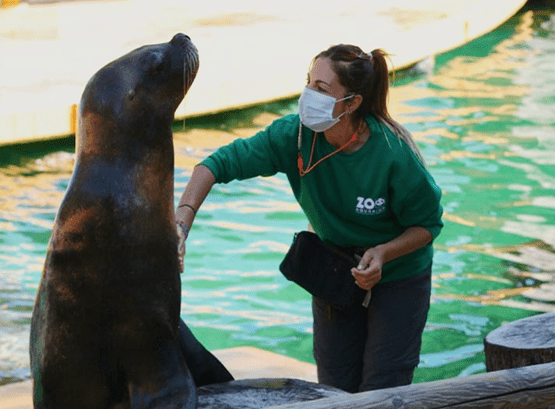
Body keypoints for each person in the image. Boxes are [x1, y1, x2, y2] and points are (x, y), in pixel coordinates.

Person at [175, 43, 443, 393]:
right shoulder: (294, 137)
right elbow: (216, 164)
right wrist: (182, 222)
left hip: (399, 275)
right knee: (333, 386)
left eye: (321, 89)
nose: (307, 95)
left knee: (383, 387)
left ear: (352, 103)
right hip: (336, 270)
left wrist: (384, 253)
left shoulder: (393, 154)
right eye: (308, 82)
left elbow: (429, 224)